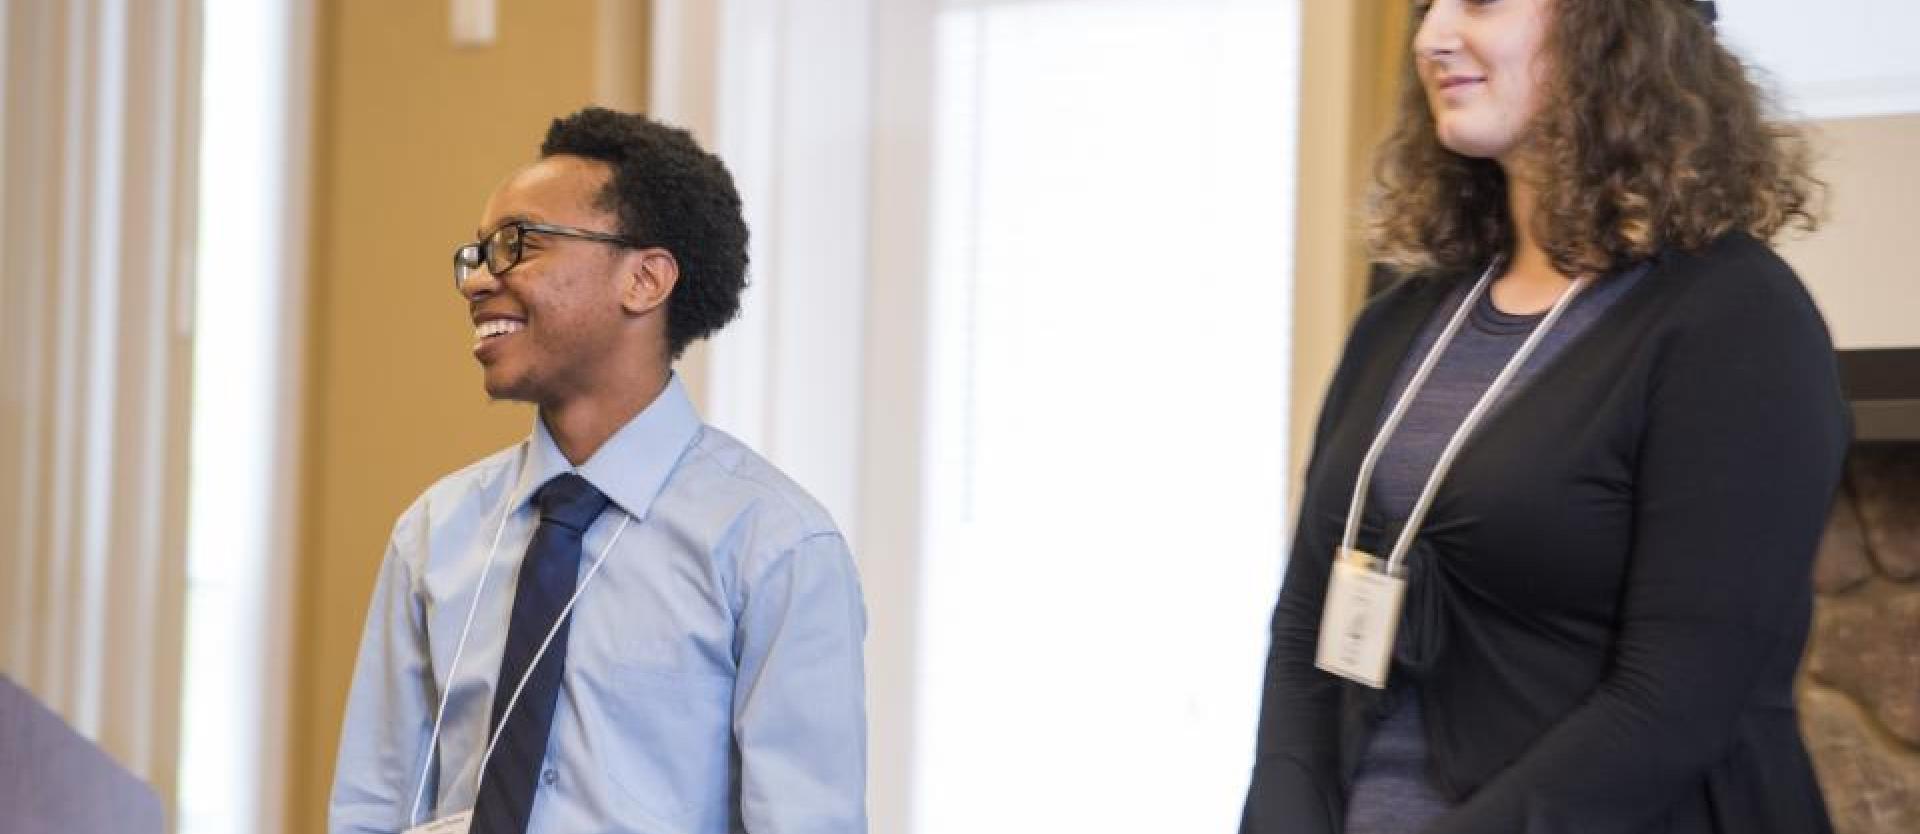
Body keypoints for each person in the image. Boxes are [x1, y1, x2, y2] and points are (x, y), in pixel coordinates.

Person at [1239, 1, 1844, 832]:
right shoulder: (1403, 313)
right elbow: (1308, 624)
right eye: (1429, 5)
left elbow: (1674, 702)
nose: (1431, 37)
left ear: (1614, 27)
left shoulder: (1736, 321)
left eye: (1481, 0)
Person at [328, 108, 868, 834]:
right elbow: (373, 807)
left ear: (645, 279)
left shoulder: (775, 548)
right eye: (477, 252)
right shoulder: (432, 535)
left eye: (518, 244)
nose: (478, 280)